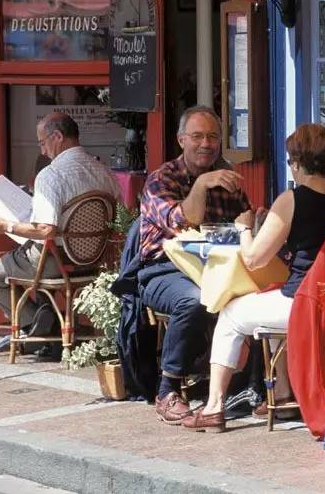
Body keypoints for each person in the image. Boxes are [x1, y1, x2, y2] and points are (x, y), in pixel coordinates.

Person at [183, 124, 325, 432]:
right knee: (265, 305)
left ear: (297, 162)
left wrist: (245, 226)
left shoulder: (293, 199)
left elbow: (253, 259)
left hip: (304, 302)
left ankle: (214, 406)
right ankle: (283, 394)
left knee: (231, 313)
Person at [0, 113, 121, 359]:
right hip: (93, 261)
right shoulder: (103, 170)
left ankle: (41, 324)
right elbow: (118, 218)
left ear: (57, 136)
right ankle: (47, 320)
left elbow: (45, 230)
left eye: (42, 142)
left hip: (55, 261)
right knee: (25, 262)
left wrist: (6, 227)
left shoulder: (50, 175)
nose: (42, 151)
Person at [138, 106, 251, 425]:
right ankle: (167, 390)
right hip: (163, 270)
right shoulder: (160, 180)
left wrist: (253, 219)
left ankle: (252, 386)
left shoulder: (227, 177)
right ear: (181, 140)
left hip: (217, 268)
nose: (206, 144)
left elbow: (245, 218)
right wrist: (202, 185)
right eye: (198, 136)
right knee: (195, 298)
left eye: (213, 137)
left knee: (257, 296)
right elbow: (184, 222)